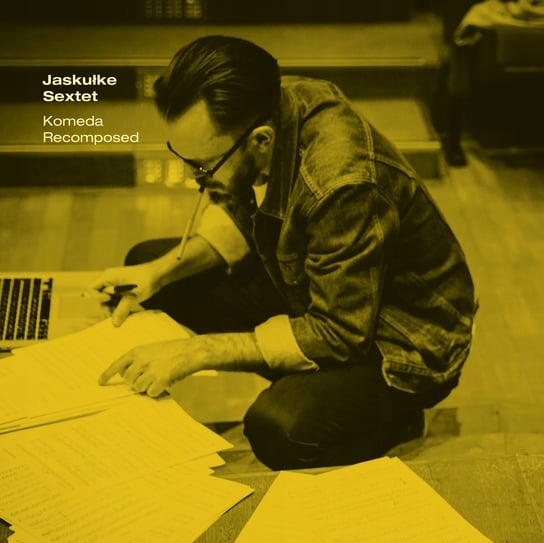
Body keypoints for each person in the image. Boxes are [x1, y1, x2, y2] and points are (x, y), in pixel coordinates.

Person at [90, 35, 478, 470]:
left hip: (400, 339)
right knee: (153, 268)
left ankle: (395, 416)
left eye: (202, 166)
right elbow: (245, 210)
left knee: (279, 429)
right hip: (326, 290)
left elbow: (340, 331)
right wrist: (158, 273)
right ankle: (312, 382)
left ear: (260, 141)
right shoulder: (269, 102)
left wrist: (195, 352)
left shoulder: (341, 183)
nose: (192, 177)